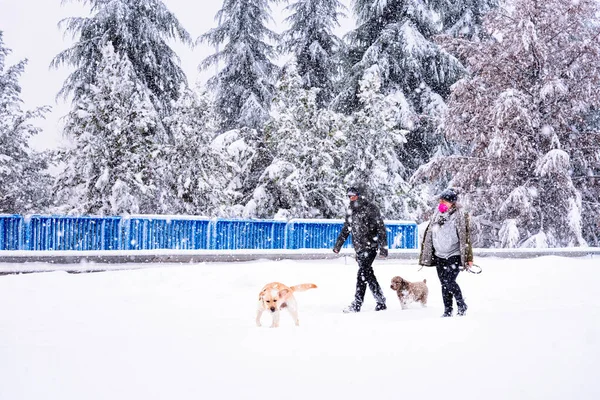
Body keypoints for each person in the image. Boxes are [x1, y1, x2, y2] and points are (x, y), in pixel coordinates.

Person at [333, 186, 388, 313]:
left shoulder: (371, 208)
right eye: (349, 196)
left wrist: (383, 248)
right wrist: (338, 245)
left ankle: (357, 304)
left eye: (353, 195)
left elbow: (381, 228)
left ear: (360, 195)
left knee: (362, 274)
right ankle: (380, 301)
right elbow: (346, 228)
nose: (351, 198)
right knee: (368, 274)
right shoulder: (351, 210)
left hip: (370, 247)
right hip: (359, 248)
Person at [419, 188, 473, 317]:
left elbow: (466, 238)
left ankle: (461, 305)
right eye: (440, 200)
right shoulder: (437, 213)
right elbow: (430, 232)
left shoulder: (460, 215)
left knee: (449, 281)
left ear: (452, 202)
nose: (441, 203)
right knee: (444, 283)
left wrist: (469, 257)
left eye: (444, 201)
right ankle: (448, 310)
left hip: (453, 254)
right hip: (439, 254)